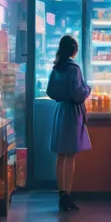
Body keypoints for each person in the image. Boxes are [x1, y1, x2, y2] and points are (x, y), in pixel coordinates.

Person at [46, 35, 91, 212]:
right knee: (71, 154)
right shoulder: (74, 69)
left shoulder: (57, 67)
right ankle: (68, 195)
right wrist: (88, 89)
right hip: (73, 113)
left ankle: (61, 193)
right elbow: (78, 93)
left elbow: (50, 91)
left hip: (60, 111)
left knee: (60, 154)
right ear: (73, 49)